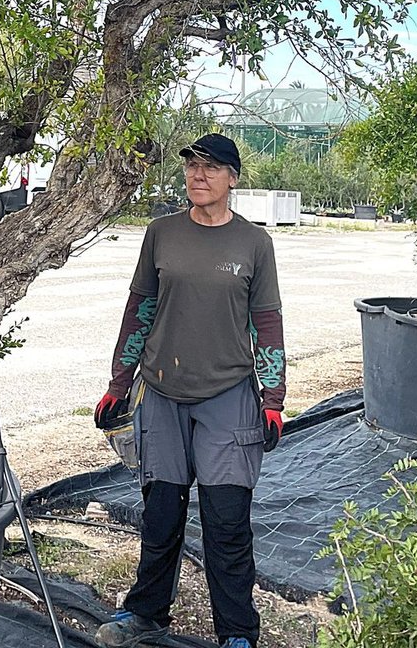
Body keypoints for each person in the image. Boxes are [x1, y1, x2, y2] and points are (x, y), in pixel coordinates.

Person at [92, 133, 286, 648]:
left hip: (228, 396)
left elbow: (267, 323)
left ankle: (237, 633)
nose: (199, 175)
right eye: (192, 166)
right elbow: (140, 309)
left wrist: (272, 399)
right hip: (161, 393)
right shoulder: (162, 233)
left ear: (232, 179)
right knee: (160, 514)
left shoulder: (254, 244)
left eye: (212, 167)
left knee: (226, 521)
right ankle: (147, 613)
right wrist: (119, 382)